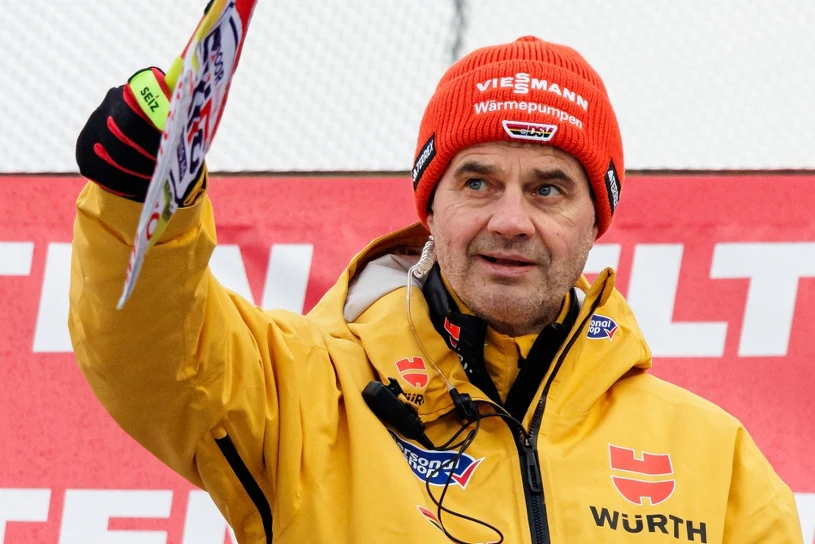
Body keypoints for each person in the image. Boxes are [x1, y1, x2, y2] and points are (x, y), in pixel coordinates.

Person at [69, 36, 802, 543]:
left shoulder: (716, 462)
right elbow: (155, 355)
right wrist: (141, 199)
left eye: (547, 189)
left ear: (595, 219)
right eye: (477, 182)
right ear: (430, 205)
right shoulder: (303, 392)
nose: (509, 220)